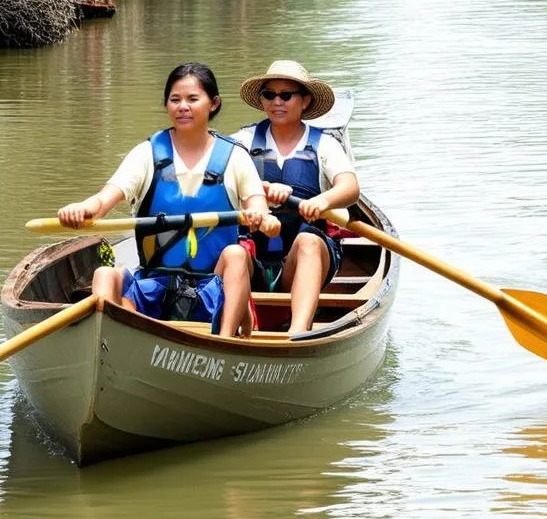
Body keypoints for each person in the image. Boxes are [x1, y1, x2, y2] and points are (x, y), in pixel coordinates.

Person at [58, 63, 280, 338]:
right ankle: (113, 342)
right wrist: (82, 209)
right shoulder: (146, 153)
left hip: (212, 286)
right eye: (175, 100)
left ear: (214, 103)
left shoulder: (235, 157)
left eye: (192, 99)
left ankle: (224, 340)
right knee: (105, 275)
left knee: (236, 254)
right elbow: (104, 200)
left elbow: (258, 206)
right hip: (156, 285)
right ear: (166, 105)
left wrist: (262, 218)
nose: (183, 107)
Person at [233, 60, 359, 335]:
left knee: (308, 242)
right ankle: (230, 332)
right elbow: (221, 181)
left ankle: (299, 335)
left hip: (304, 258)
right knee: (231, 251)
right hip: (252, 258)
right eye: (270, 95)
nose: (277, 101)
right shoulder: (242, 141)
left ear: (305, 101)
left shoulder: (325, 144)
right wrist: (260, 189)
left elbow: (350, 188)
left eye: (286, 95)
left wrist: (322, 202)